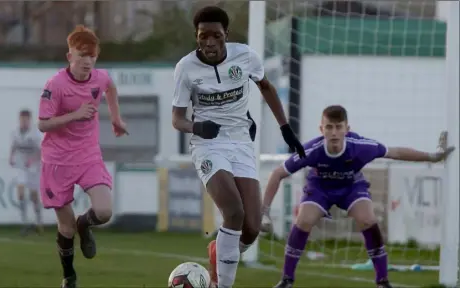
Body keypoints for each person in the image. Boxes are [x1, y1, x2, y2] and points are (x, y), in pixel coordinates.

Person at [171, 6, 306, 288]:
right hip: (208, 145)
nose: (209, 42)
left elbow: (265, 87)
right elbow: (177, 119)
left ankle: (218, 251)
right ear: (196, 36)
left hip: (242, 142)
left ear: (226, 35)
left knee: (253, 227)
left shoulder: (245, 56)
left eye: (216, 36)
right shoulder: (185, 68)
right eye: (203, 36)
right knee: (233, 212)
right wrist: (197, 127)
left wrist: (285, 128)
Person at [261, 105, 455, 288]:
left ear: (347, 128)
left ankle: (382, 280)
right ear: (322, 129)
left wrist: (432, 157)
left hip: (351, 186)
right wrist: (265, 211)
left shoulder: (361, 146)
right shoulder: (311, 150)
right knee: (303, 221)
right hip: (320, 188)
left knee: (368, 219)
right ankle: (287, 279)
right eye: (329, 127)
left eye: (338, 127)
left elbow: (395, 152)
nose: (334, 132)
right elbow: (278, 173)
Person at [38, 25, 128, 288]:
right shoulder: (55, 85)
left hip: (88, 156)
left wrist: (115, 118)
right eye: (82, 56)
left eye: (92, 56)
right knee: (64, 229)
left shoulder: (99, 78)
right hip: (57, 162)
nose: (87, 62)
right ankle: (69, 276)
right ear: (70, 57)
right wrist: (75, 115)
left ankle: (84, 224)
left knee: (104, 210)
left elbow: (110, 87)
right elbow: (42, 124)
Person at [9, 109, 43, 235]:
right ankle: (25, 222)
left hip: (34, 167)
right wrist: (11, 157)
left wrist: (32, 160)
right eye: (22, 119)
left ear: (29, 120)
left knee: (34, 196)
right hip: (21, 166)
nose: (23, 122)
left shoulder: (35, 134)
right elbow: (13, 145)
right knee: (21, 193)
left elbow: (41, 151)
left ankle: (39, 221)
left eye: (26, 119)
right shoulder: (15, 132)